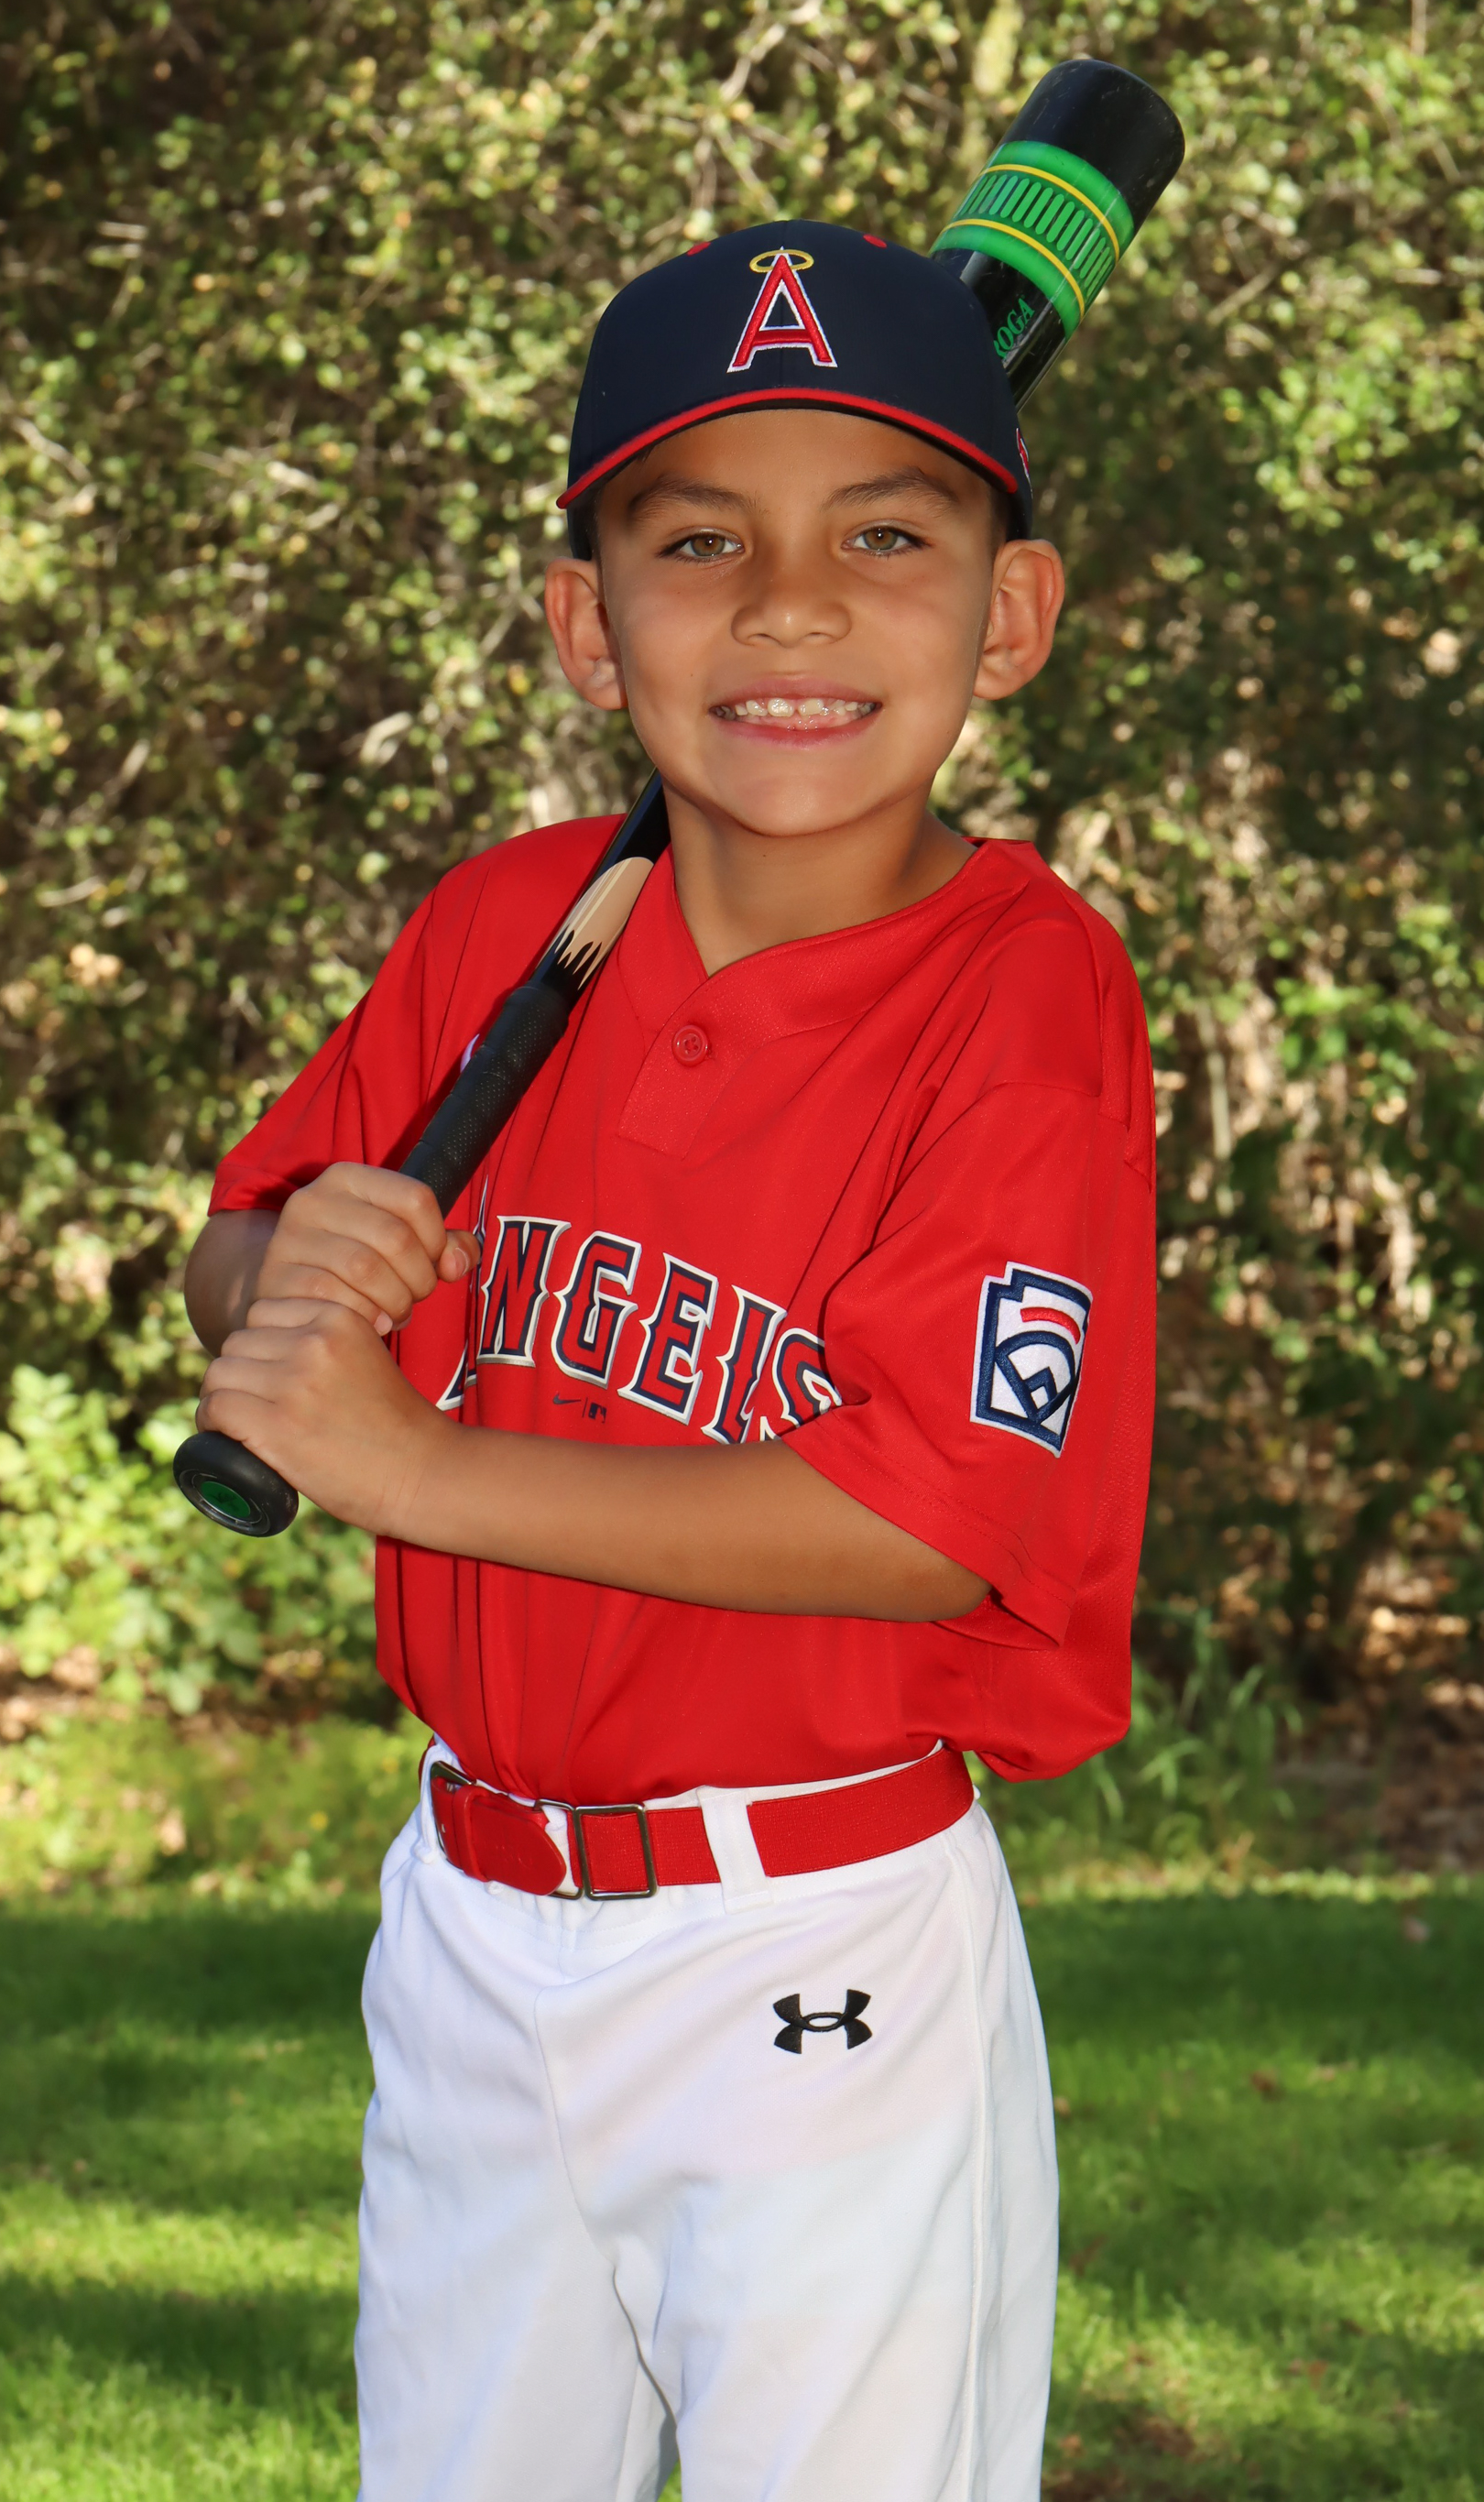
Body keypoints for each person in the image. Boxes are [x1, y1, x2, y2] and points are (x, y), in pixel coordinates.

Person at [183, 220, 1156, 2502]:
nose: (790, 609)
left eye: (884, 538)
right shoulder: (499, 926)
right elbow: (254, 1259)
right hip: (470, 1924)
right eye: (699, 540)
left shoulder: (1021, 992)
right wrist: (279, 1279)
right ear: (583, 620)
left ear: (1008, 615)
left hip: (811, 1937)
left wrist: (404, 1464)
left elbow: (920, 1520)